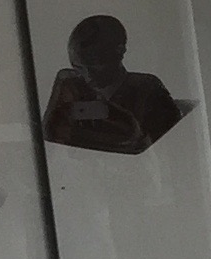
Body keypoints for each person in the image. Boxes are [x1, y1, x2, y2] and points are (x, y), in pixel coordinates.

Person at [41, 15, 187, 156]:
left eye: (95, 65)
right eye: (78, 68)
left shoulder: (148, 90)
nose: (87, 75)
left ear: (120, 51)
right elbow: (51, 141)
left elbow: (173, 148)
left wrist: (126, 124)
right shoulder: (71, 88)